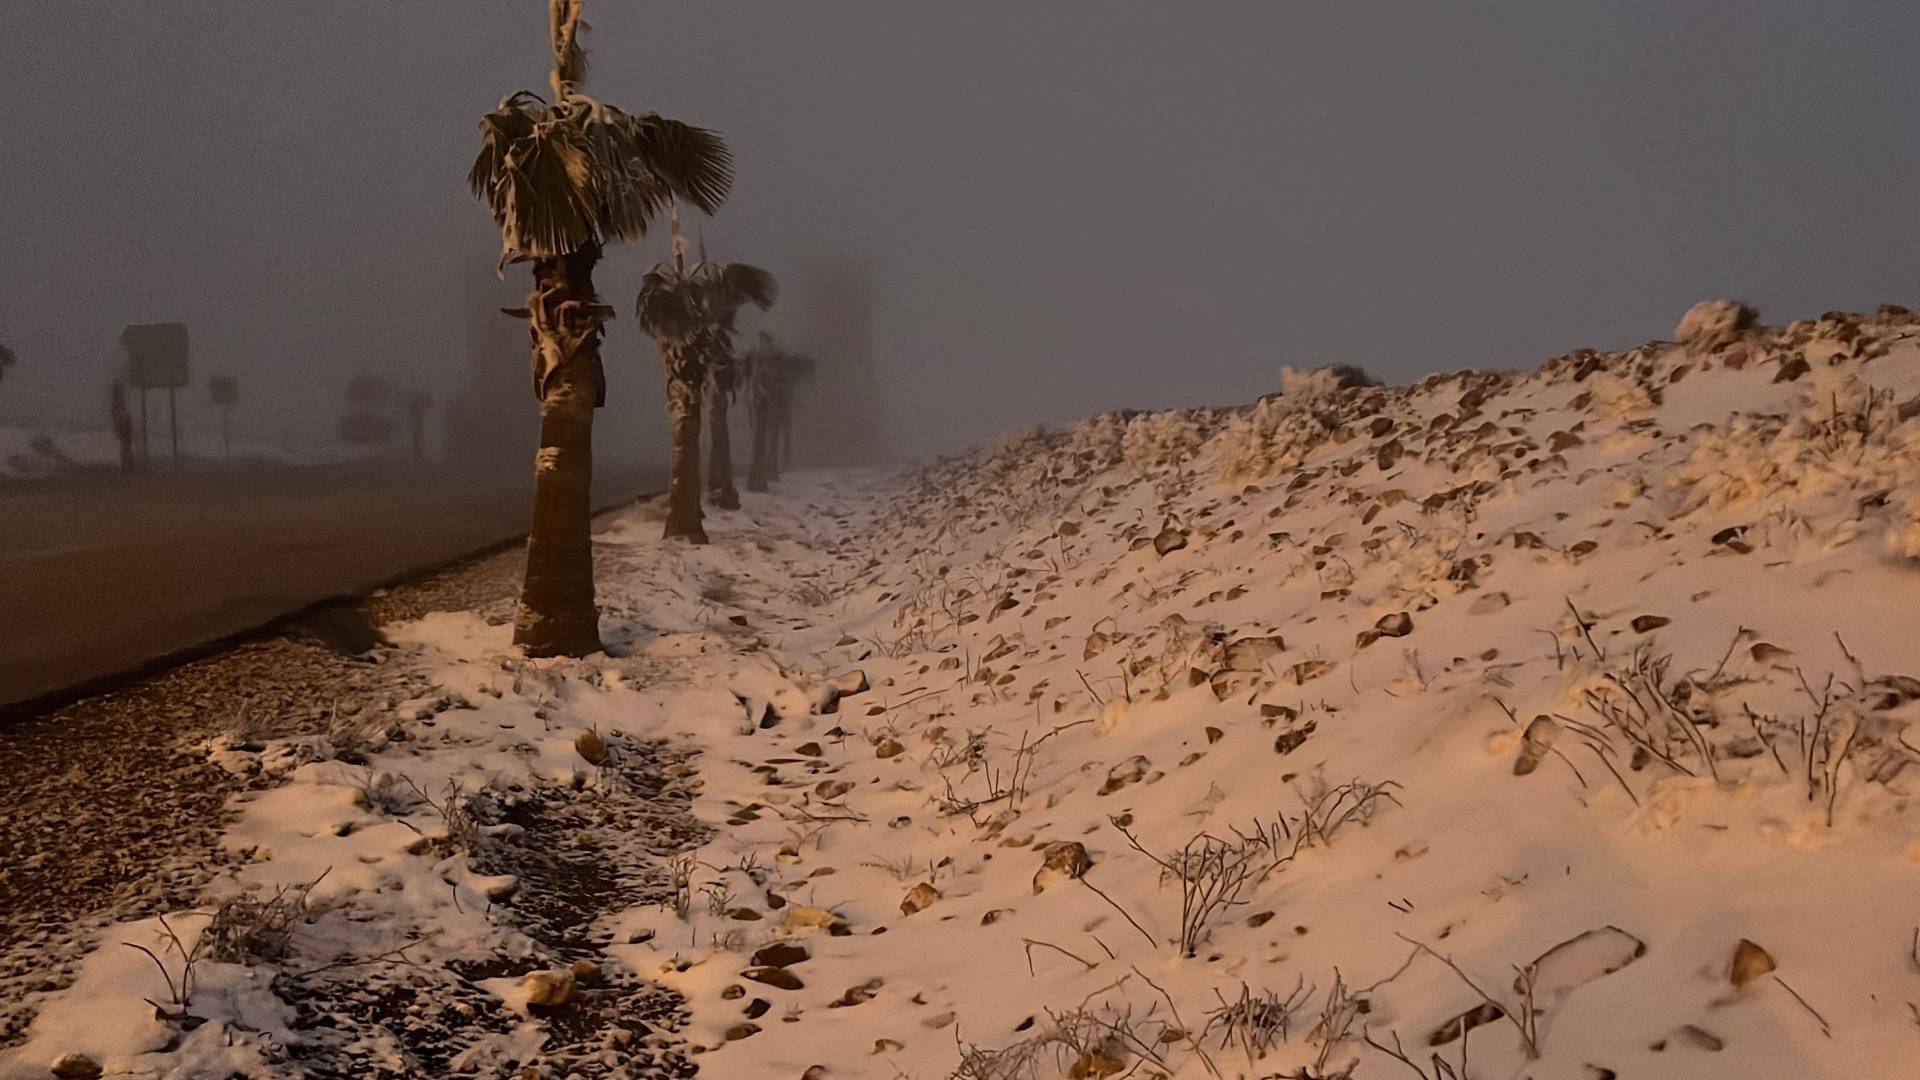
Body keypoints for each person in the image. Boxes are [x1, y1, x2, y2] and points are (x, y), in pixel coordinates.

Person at [109, 380, 135, 470]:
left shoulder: (117, 402)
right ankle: (126, 463)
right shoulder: (117, 402)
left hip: (123, 425)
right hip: (123, 426)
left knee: (125, 445)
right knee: (125, 445)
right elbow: (118, 414)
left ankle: (127, 463)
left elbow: (116, 414)